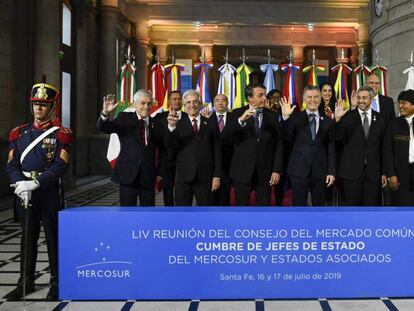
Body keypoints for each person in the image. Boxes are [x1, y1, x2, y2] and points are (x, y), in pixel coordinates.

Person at [6, 82, 73, 301]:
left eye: (43, 105)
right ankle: (25, 282)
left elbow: (60, 166)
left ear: (52, 107)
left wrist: (36, 183)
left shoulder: (61, 134)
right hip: (24, 192)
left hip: (48, 192)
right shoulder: (18, 133)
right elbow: (12, 164)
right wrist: (19, 185)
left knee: (53, 238)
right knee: (27, 238)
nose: (38, 108)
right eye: (36, 104)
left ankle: (56, 282)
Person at [97, 89, 163, 206]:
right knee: (127, 213)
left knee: (148, 214)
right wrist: (105, 113)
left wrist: (160, 172)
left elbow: (163, 150)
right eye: (142, 103)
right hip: (128, 175)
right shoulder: (124, 118)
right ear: (135, 104)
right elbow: (105, 128)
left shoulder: (157, 123)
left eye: (149, 103)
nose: (146, 107)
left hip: (148, 176)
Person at [223, 83, 283, 206]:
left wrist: (276, 170)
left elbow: (279, 144)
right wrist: (241, 121)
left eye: (264, 95)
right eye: (260, 95)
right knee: (241, 211)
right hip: (242, 172)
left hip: (265, 173)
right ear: (250, 98)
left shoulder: (273, 115)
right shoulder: (236, 113)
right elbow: (224, 137)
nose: (264, 98)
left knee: (264, 212)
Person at [280, 85, 335, 206]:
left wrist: (331, 171)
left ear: (320, 99)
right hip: (298, 171)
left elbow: (331, 148)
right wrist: (285, 118)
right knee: (298, 208)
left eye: (316, 97)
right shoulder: (294, 118)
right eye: (309, 97)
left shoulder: (328, 121)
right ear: (304, 99)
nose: (313, 100)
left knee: (319, 208)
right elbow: (285, 138)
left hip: (320, 172)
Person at [332, 86, 388, 205]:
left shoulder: (381, 119)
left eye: (364, 98)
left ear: (371, 99)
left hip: (373, 173)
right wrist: (337, 120)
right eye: (359, 98)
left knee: (371, 209)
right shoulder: (347, 116)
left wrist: (384, 172)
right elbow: (336, 139)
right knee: (352, 209)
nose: (361, 100)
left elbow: (384, 148)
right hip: (351, 173)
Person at [166, 89, 221, 206]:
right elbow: (170, 146)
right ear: (184, 106)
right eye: (188, 102)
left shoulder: (211, 123)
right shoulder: (177, 124)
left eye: (195, 102)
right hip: (183, 177)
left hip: (205, 177)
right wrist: (171, 127)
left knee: (206, 214)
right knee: (183, 215)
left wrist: (217, 176)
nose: (192, 105)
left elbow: (217, 150)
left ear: (200, 104)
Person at [153, 91, 185, 206]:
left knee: (183, 191)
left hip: (184, 160)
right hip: (166, 160)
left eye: (179, 99)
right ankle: (169, 215)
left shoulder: (188, 117)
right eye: (174, 99)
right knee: (168, 191)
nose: (177, 101)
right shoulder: (159, 117)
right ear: (169, 101)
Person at [384, 89, 414, 205]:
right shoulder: (393, 124)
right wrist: (391, 174)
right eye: (399, 103)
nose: (400, 106)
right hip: (400, 174)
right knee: (402, 206)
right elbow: (387, 151)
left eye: (404, 103)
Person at [210, 94, 233, 206]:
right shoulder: (207, 119)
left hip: (231, 163)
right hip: (212, 164)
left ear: (227, 103)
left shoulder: (234, 118)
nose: (220, 103)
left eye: (223, 100)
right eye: (217, 100)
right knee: (212, 197)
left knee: (226, 197)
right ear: (213, 104)